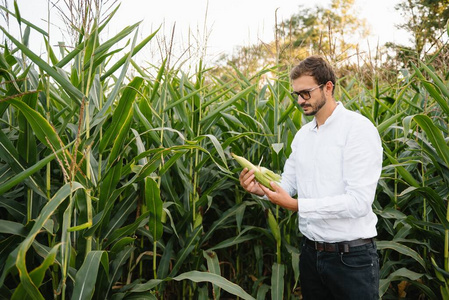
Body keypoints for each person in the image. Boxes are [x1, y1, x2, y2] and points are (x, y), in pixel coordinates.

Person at [239, 55, 383, 300]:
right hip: (310, 254)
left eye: (305, 93)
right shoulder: (303, 136)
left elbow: (359, 202)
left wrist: (297, 206)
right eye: (296, 94)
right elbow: (288, 185)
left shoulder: (357, 129)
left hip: (351, 259)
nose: (299, 100)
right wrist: (261, 189)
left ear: (328, 87)